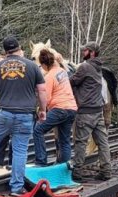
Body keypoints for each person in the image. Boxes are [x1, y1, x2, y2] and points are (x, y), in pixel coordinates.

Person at [0, 37, 48, 196]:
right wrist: (43, 110)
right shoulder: (33, 66)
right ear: (20, 49)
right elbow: (42, 90)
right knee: (20, 151)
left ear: (5, 51)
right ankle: (16, 188)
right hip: (25, 114)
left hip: (3, 112)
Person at [69, 42, 112, 181]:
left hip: (85, 112)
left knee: (80, 143)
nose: (83, 52)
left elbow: (72, 81)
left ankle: (76, 173)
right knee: (103, 142)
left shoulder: (85, 67)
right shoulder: (98, 67)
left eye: (85, 50)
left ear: (92, 52)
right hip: (98, 111)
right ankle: (106, 171)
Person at [31, 48, 77, 166]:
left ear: (44, 64)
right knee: (64, 139)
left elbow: (45, 98)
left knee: (38, 129)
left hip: (59, 108)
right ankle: (64, 166)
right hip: (71, 108)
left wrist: (41, 110)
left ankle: (41, 161)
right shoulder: (62, 71)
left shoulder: (49, 77)